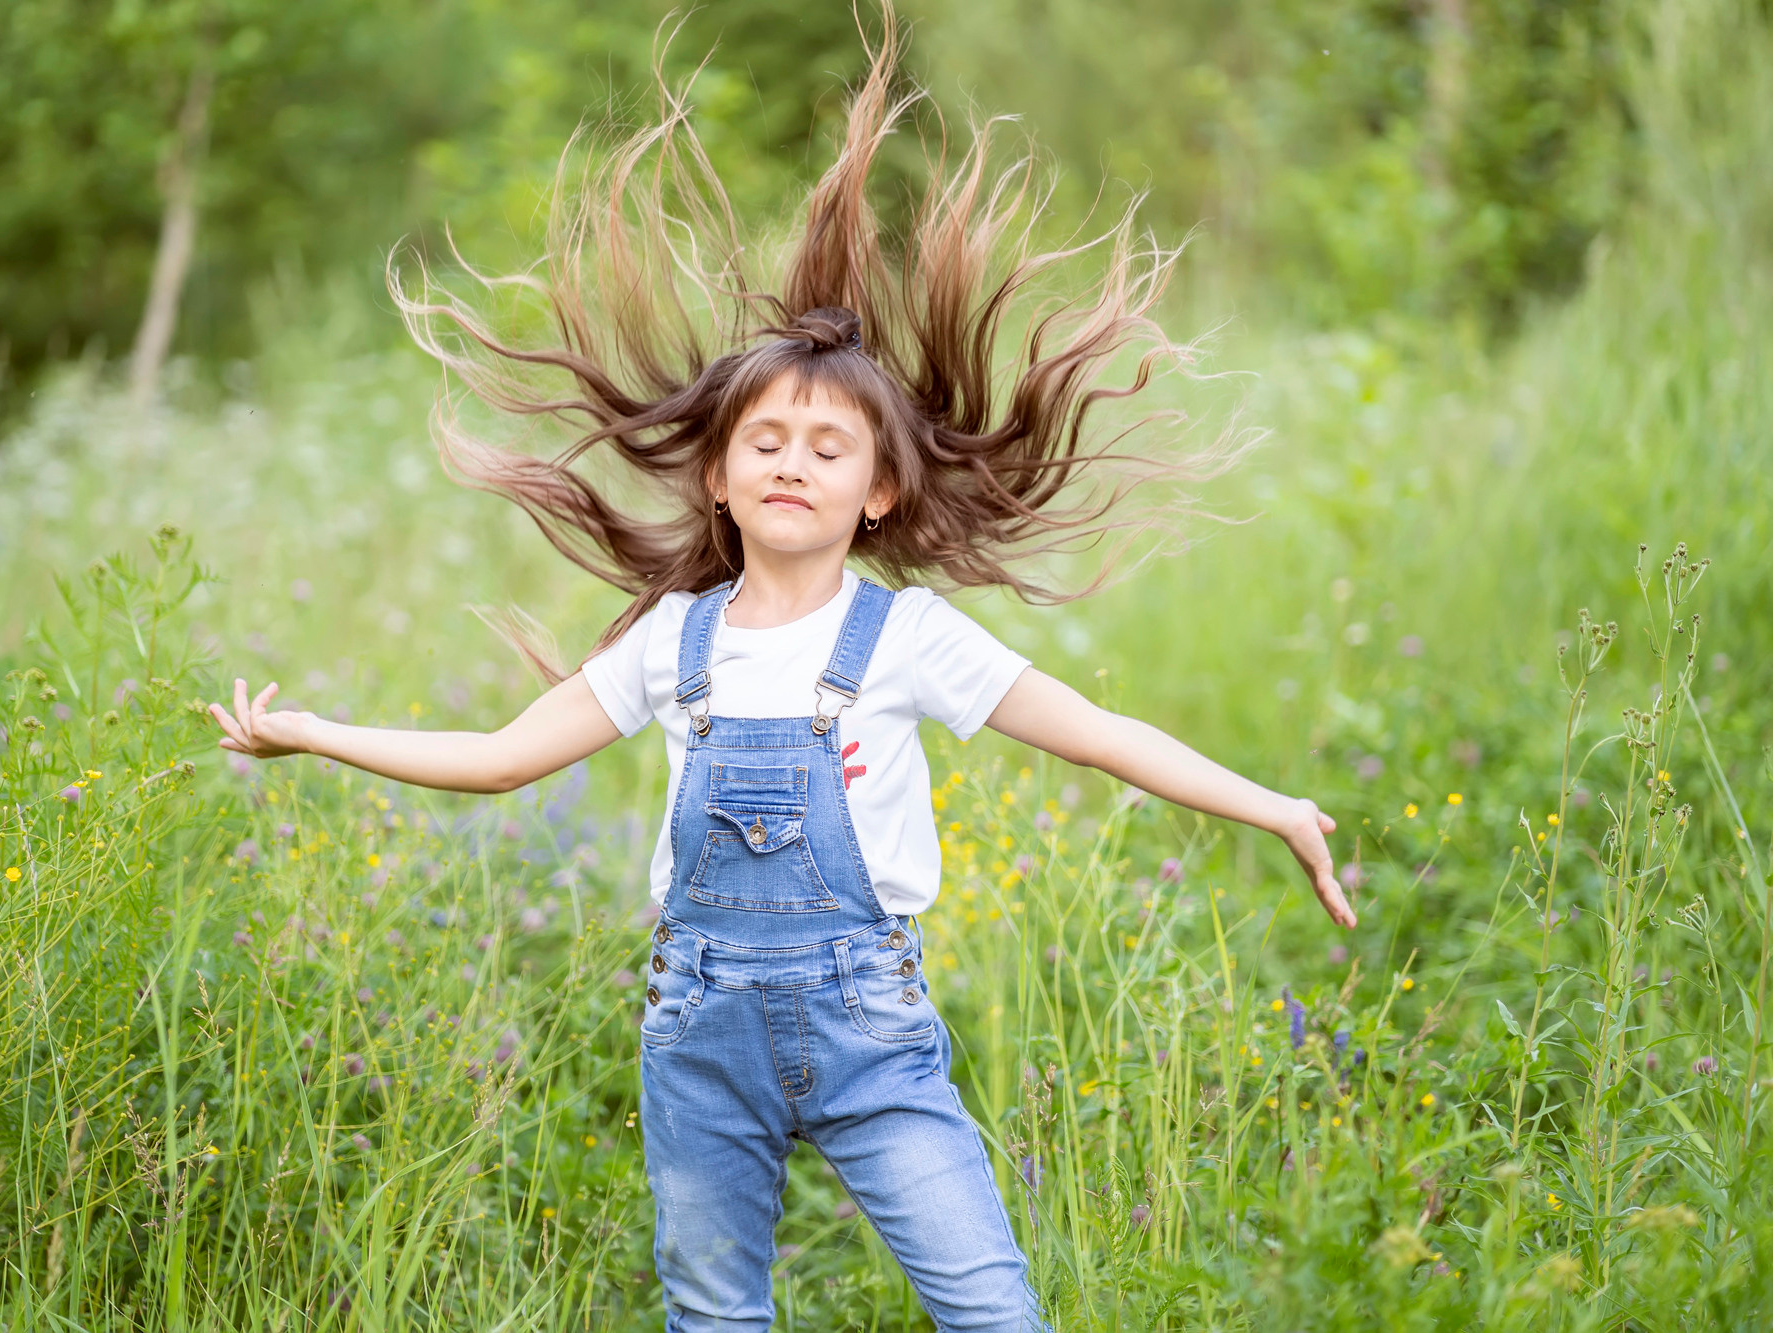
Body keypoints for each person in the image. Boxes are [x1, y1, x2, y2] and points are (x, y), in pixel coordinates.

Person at [210, 16, 1352, 1331]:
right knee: (713, 1314)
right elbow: (500, 758)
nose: (792, 460)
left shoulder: (907, 639)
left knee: (991, 1306)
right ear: (717, 472)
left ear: (877, 491)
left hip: (873, 1028)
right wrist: (314, 732)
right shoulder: (670, 643)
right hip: (698, 1034)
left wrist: (1269, 804)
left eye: (828, 444)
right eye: (765, 438)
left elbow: (1098, 732)